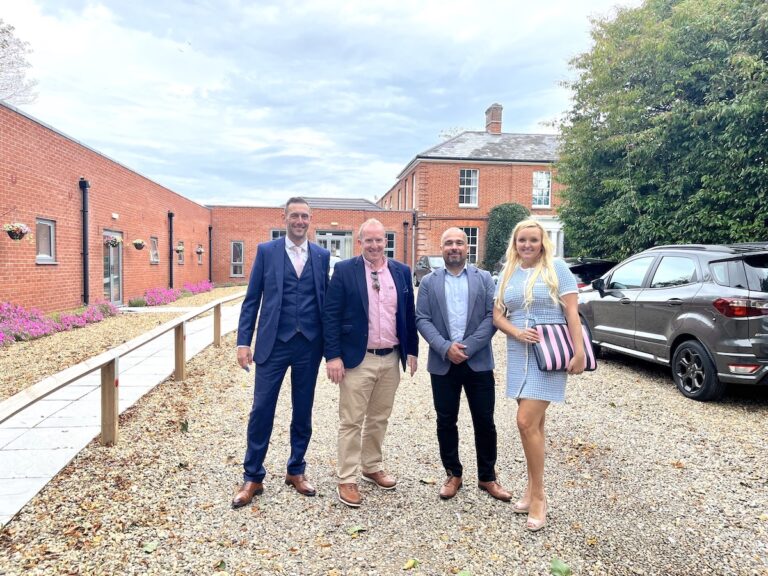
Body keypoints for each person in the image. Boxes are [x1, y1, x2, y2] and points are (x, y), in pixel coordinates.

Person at [232, 197, 330, 508]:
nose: (300, 221)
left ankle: (296, 470)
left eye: (305, 216)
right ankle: (253, 475)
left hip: (309, 344)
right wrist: (243, 341)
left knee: (303, 410)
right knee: (262, 409)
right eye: (294, 216)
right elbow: (252, 299)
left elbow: (325, 302)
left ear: (310, 219)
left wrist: (333, 348)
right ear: (284, 218)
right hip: (273, 343)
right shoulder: (267, 252)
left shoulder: (321, 255)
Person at [493, 219, 586, 531]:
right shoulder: (508, 272)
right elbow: (497, 315)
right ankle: (530, 490)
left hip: (549, 352)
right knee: (534, 426)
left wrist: (579, 351)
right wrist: (517, 332)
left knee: (525, 421)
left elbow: (572, 311)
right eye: (522, 240)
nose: (527, 245)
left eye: (533, 240)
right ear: (515, 243)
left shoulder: (556, 268)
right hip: (520, 353)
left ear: (543, 241)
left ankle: (539, 498)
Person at [323, 218, 418, 508]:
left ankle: (372, 466)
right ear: (360, 242)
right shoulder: (344, 271)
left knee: (379, 418)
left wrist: (411, 351)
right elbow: (331, 315)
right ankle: (346, 478)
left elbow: (408, 314)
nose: (375, 245)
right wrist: (333, 356)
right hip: (357, 359)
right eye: (369, 240)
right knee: (351, 420)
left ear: (386, 242)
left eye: (380, 240)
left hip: (390, 358)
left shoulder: (401, 272)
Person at [416, 228, 511, 502]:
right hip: (443, 363)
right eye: (448, 243)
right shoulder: (430, 282)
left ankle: (487, 477)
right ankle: (453, 473)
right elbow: (422, 318)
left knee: (485, 421)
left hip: (477, 362)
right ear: (441, 247)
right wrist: (446, 348)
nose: (454, 247)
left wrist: (466, 347)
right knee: (446, 421)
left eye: (459, 242)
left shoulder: (483, 280)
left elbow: (491, 317)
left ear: (467, 248)